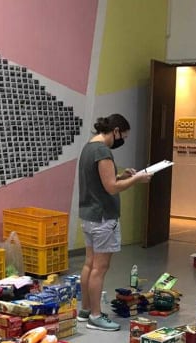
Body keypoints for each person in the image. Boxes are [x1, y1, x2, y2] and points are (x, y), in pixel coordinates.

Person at [77, 114, 151, 331]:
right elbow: (110, 188)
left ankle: (86, 310)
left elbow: (100, 181)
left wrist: (121, 176)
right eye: (123, 136)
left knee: (89, 264)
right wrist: (137, 179)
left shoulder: (89, 148)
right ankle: (96, 316)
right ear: (115, 130)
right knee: (100, 268)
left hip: (89, 215)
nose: (122, 141)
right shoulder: (102, 151)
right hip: (103, 218)